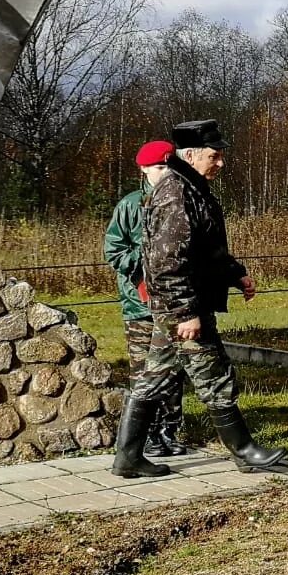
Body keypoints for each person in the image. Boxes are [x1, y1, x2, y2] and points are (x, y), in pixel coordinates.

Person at [111, 118, 287, 478]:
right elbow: (163, 262)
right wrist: (185, 311)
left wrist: (236, 273)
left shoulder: (192, 187)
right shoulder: (176, 192)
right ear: (190, 155)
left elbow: (207, 250)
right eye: (214, 156)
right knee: (214, 375)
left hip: (178, 307)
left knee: (153, 377)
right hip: (183, 308)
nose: (220, 163)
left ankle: (127, 457)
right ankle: (244, 451)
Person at [102, 140, 188, 458]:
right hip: (140, 305)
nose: (165, 174)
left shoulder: (181, 202)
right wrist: (144, 266)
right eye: (159, 168)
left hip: (174, 303)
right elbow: (114, 249)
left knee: (174, 368)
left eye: (169, 167)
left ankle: (170, 429)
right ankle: (144, 435)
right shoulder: (129, 206)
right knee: (144, 372)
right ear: (144, 170)